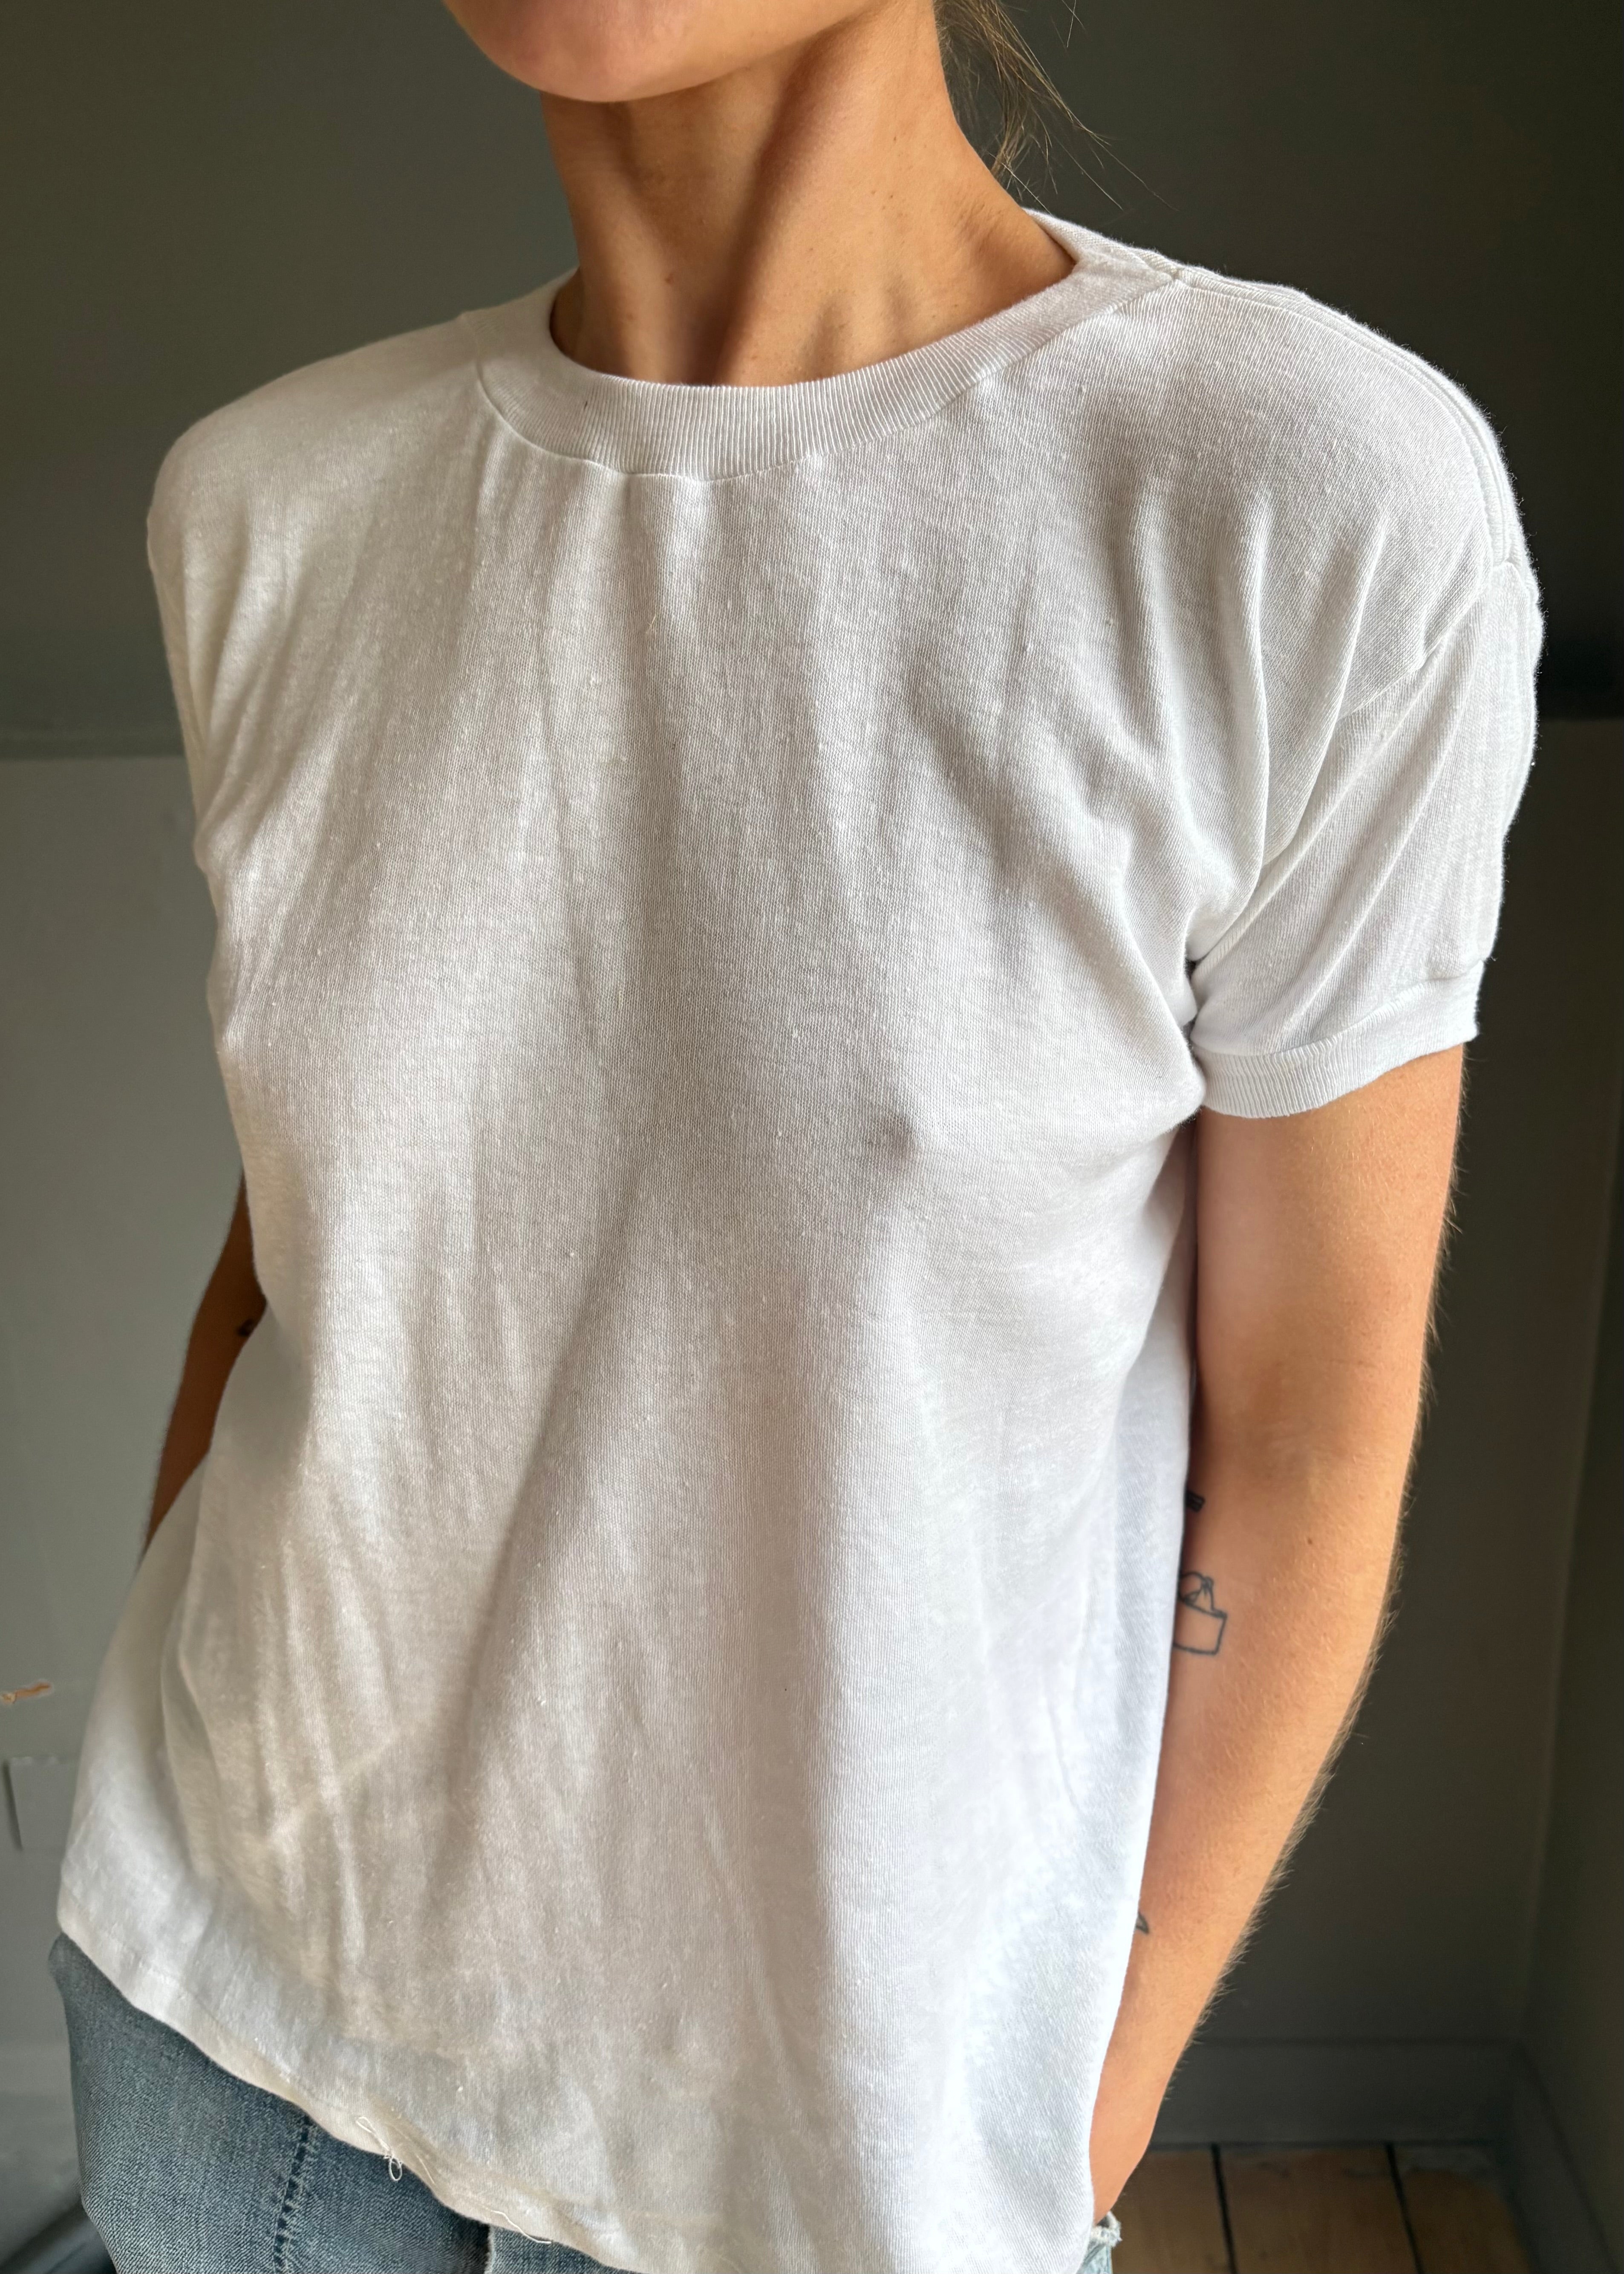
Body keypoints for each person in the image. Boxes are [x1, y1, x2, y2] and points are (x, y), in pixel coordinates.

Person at [49, 0, 1541, 2268]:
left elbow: (1308, 1433)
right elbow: (297, 1257)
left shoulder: (1297, 497)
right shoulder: (266, 502)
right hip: (220, 2038)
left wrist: (1078, 2110)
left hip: (846, 2160)